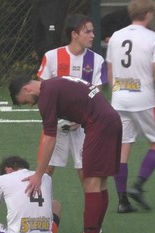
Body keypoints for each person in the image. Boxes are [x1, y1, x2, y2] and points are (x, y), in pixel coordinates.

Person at [8, 75, 121, 233]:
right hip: (110, 119)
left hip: (99, 125)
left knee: (91, 182)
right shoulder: (55, 83)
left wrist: (38, 174)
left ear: (26, 90)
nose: (30, 105)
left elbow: (50, 138)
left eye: (26, 102)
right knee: (100, 183)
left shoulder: (46, 96)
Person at [105, 0, 155, 213]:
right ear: (149, 14)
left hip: (120, 100)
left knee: (123, 149)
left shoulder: (116, 36)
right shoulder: (153, 38)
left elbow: (110, 70)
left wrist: (116, 95)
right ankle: (138, 186)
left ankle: (122, 201)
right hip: (144, 101)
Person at [37, 14, 107, 183]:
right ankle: (38, 208)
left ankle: (91, 209)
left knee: (87, 171)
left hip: (84, 124)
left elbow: (97, 94)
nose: (92, 35)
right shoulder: (52, 56)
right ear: (74, 34)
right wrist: (56, 115)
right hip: (56, 123)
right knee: (45, 169)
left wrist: (81, 117)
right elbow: (43, 90)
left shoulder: (97, 60)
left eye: (92, 31)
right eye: (87, 32)